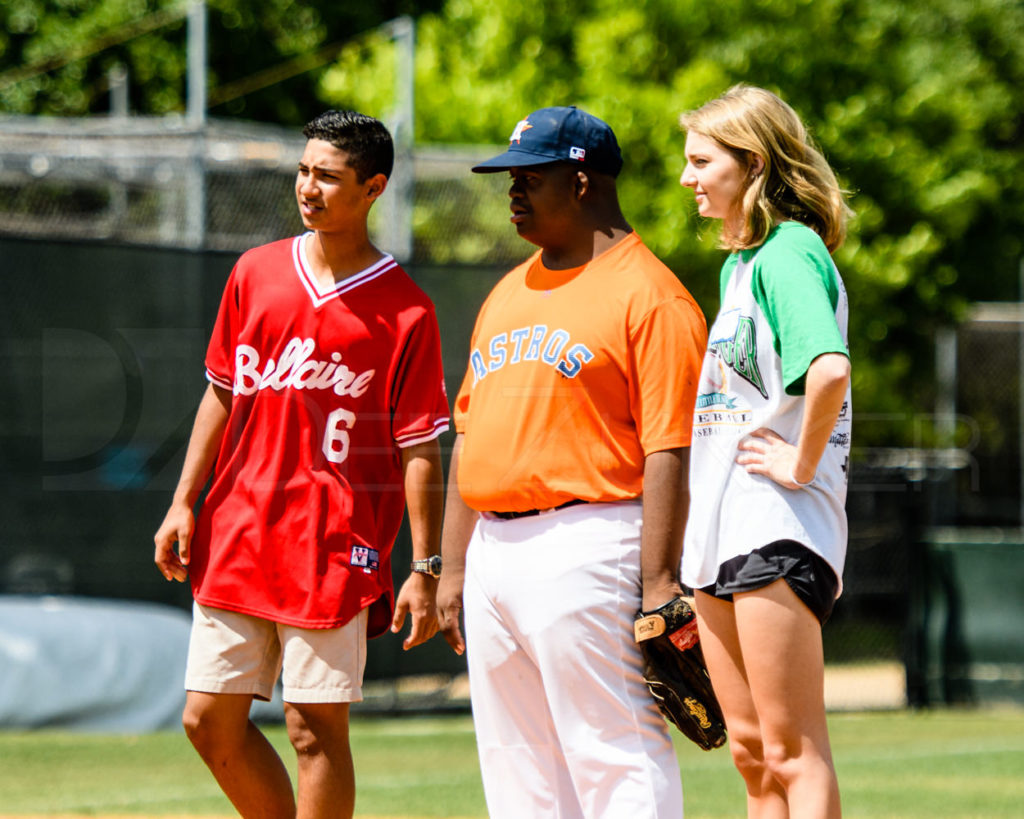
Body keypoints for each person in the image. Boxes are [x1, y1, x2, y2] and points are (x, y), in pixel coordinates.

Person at [153, 110, 450, 819]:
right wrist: (182, 500)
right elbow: (223, 392)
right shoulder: (255, 272)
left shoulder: (405, 309)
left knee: (314, 730)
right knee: (205, 718)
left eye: (327, 175)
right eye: (303, 170)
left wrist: (425, 564)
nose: (307, 188)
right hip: (239, 530)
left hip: (332, 544)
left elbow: (419, 447)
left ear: (372, 187)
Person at [433, 106, 708, 818]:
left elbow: (669, 447)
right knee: (516, 763)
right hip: (493, 547)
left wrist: (658, 583)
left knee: (613, 750)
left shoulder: (652, 295)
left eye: (530, 177)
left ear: (582, 179)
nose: (512, 192)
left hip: (590, 540)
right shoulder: (507, 291)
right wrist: (453, 564)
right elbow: (470, 432)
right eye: (510, 179)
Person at [677, 84, 853, 818]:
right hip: (722, 528)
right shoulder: (739, 265)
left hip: (775, 522)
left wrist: (800, 463)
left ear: (750, 162)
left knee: (791, 751)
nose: (688, 178)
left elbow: (830, 370)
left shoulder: (789, 250)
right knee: (751, 756)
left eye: (701, 160)